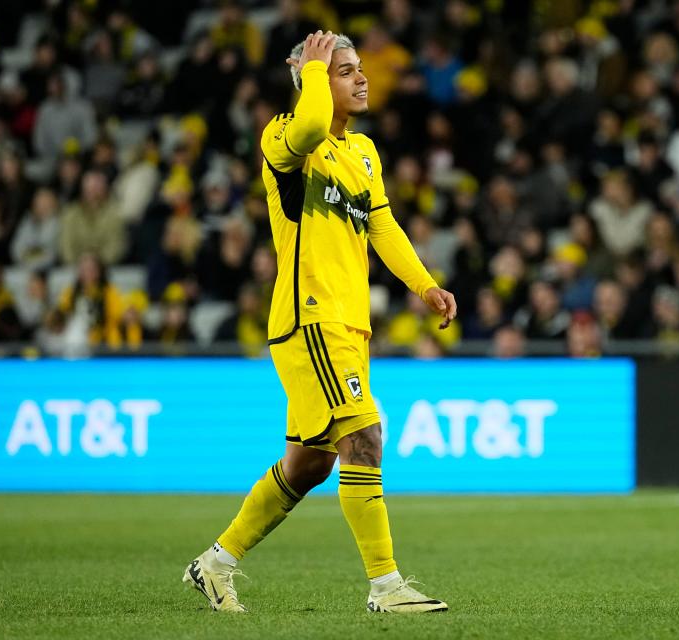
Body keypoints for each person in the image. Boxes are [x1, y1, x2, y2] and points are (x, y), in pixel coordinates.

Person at [182, 31, 455, 615]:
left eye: (360, 69)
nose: (360, 78)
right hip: (311, 319)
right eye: (344, 70)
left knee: (309, 464)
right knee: (365, 436)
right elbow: (309, 127)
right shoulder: (285, 138)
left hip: (349, 325)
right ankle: (386, 586)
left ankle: (215, 563)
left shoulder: (363, 154)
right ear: (313, 80)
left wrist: (425, 285)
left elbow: (381, 226)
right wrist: (310, 72)